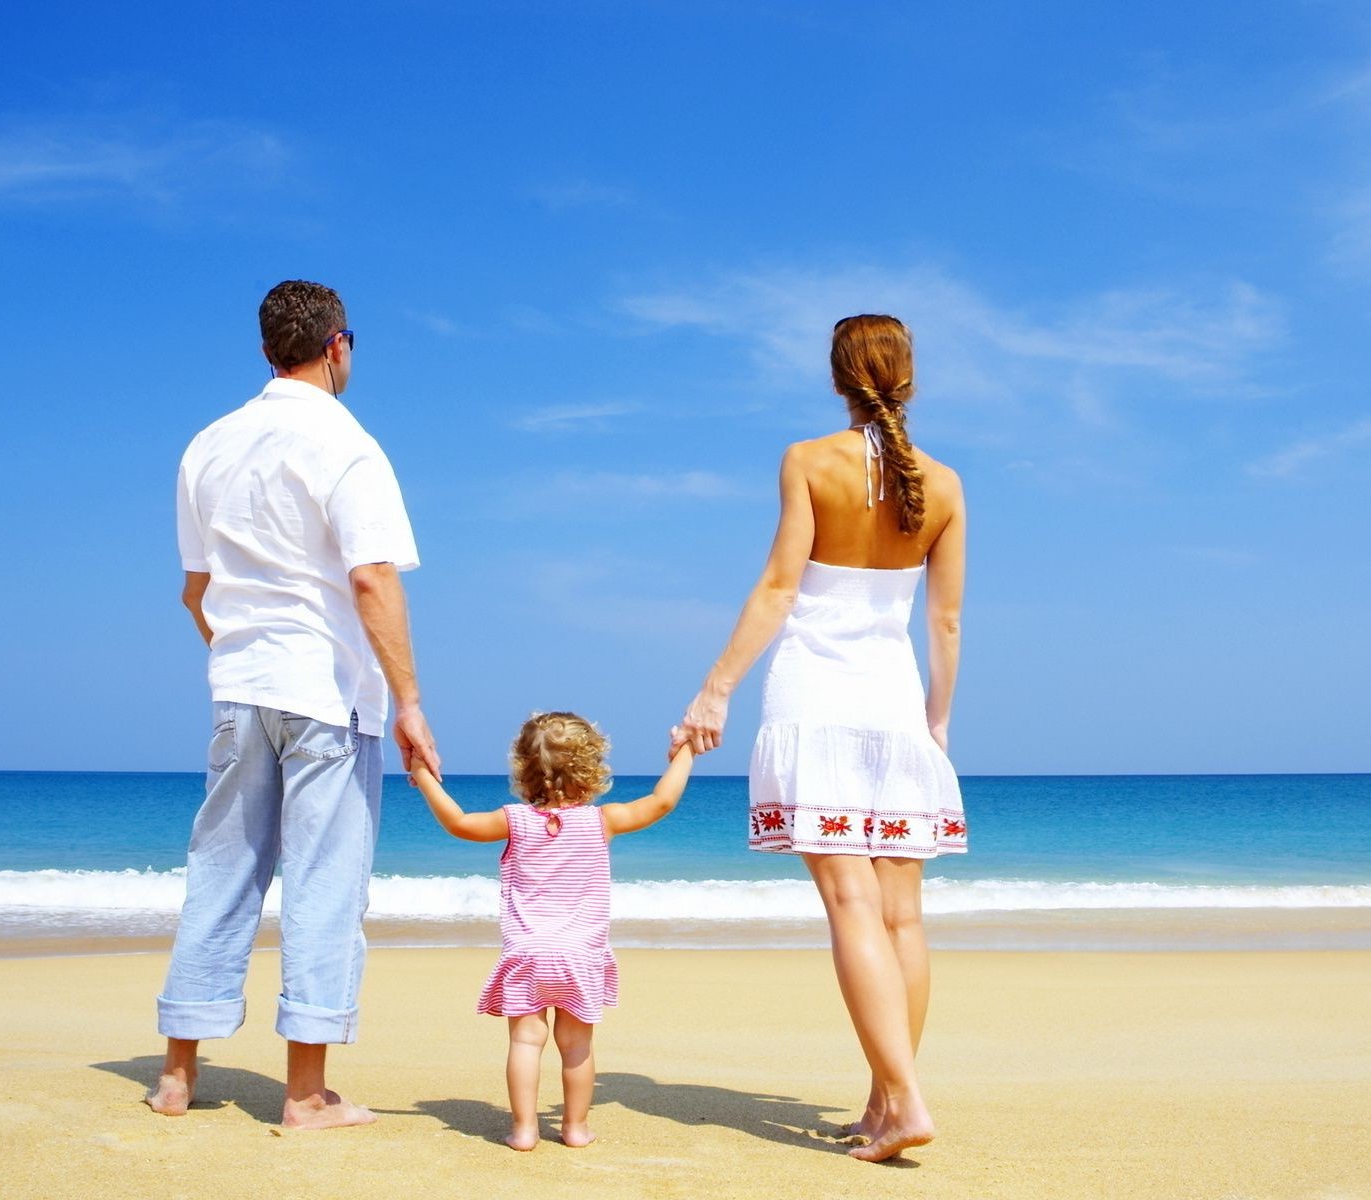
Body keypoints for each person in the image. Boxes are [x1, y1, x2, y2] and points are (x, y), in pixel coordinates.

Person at [149, 279, 440, 1130]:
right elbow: (371, 576)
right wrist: (411, 701)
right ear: (337, 345)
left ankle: (176, 1076)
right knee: (323, 886)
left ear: (269, 347)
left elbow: (194, 593)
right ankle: (306, 1094)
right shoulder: (347, 443)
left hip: (240, 689)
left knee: (221, 875)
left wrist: (244, 662)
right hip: (327, 695)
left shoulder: (208, 445)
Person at [676, 313, 967, 1163]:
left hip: (817, 700)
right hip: (894, 704)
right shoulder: (945, 485)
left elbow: (778, 587)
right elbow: (944, 622)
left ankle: (904, 1101)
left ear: (839, 377)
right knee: (902, 918)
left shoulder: (808, 461)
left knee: (850, 906)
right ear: (909, 376)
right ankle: (885, 1105)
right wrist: (937, 719)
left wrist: (714, 688)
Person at [411, 714, 694, 1150]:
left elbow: (460, 823)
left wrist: (424, 777)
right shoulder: (603, 821)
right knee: (576, 1045)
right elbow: (661, 802)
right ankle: (575, 1128)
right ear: (592, 769)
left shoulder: (514, 821)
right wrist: (685, 752)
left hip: (528, 954)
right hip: (581, 954)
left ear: (523, 768)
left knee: (526, 1040)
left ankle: (524, 1130)